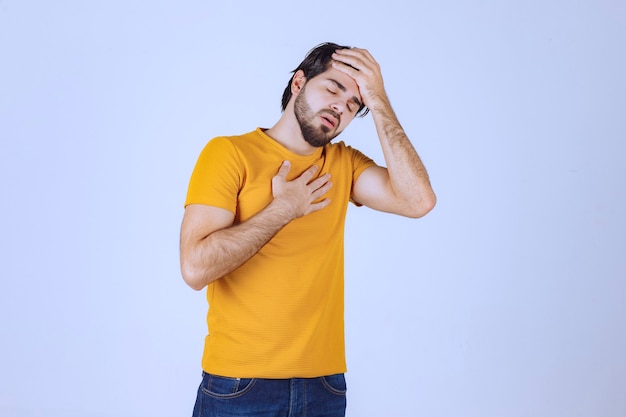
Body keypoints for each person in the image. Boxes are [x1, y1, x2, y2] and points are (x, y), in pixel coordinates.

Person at [180, 42, 436, 417]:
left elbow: (419, 201)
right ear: (299, 82)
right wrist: (282, 210)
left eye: (353, 104)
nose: (340, 106)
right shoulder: (228, 153)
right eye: (333, 88)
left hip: (324, 387)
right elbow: (195, 268)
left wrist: (379, 100)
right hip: (239, 384)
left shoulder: (343, 163)